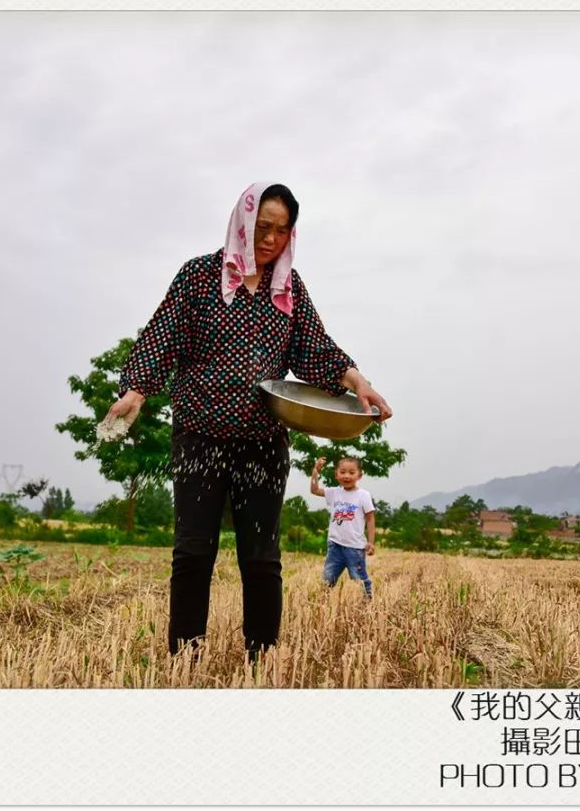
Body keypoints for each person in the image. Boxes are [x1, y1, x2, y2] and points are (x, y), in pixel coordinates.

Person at [103, 181, 392, 658]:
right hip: (199, 435)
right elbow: (163, 337)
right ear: (242, 222)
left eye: (282, 231)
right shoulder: (198, 277)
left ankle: (264, 657)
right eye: (262, 228)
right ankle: (186, 658)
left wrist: (356, 381)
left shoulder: (289, 289)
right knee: (193, 552)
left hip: (262, 441)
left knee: (261, 557)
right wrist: (136, 389)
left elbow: (315, 350)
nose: (271, 240)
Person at [311, 456, 376, 598]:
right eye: (343, 472)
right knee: (327, 580)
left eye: (352, 472)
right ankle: (320, 607)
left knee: (359, 579)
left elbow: (370, 519)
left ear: (359, 475)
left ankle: (367, 605)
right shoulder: (334, 493)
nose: (347, 476)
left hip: (355, 548)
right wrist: (315, 472)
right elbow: (314, 490)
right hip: (335, 547)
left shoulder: (363, 495)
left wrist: (370, 542)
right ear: (336, 474)